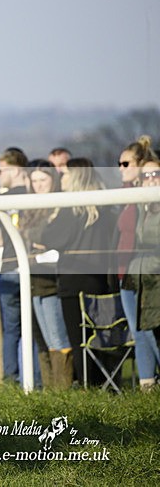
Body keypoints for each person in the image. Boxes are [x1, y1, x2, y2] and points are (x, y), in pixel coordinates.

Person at [38, 158, 117, 387]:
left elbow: (50, 238)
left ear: (75, 177)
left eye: (64, 174)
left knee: (79, 339)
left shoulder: (71, 209)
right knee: (102, 337)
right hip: (101, 282)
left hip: (73, 282)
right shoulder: (106, 207)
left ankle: (86, 384)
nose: (61, 179)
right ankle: (107, 383)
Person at [21, 160, 73, 389]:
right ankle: (52, 387)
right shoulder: (30, 206)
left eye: (43, 179)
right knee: (43, 338)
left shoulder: (59, 205)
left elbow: (50, 238)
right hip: (34, 279)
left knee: (57, 337)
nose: (39, 185)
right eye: (34, 181)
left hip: (52, 279)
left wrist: (39, 240)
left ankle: (63, 387)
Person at [0, 147, 36, 384]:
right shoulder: (36, 193)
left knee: (12, 329)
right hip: (34, 268)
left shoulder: (1, 198)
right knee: (34, 329)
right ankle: (36, 379)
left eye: (0, 170)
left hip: (8, 269)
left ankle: (10, 379)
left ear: (14, 169)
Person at [124, 154, 160, 390]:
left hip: (153, 277)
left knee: (154, 332)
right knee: (140, 333)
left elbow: (149, 237)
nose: (150, 180)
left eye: (155, 174)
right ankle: (147, 385)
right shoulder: (141, 204)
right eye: (145, 176)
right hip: (133, 276)